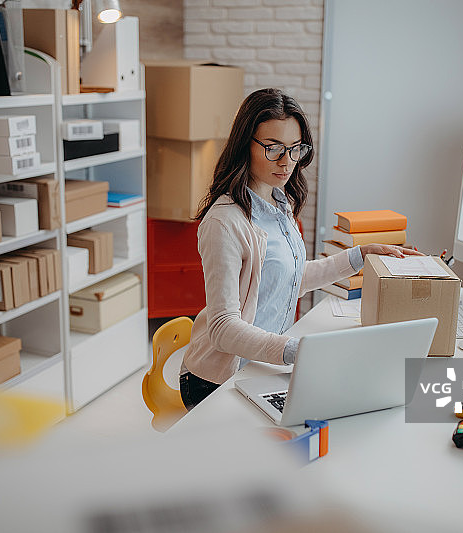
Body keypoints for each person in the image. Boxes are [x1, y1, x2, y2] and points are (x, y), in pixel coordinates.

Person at [179, 88, 422, 410]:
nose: (287, 162)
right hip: (216, 379)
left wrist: (360, 256)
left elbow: (288, 278)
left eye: (295, 149)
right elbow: (223, 329)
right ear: (244, 145)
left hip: (260, 363)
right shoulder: (225, 222)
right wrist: (298, 351)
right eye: (273, 148)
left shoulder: (279, 202)